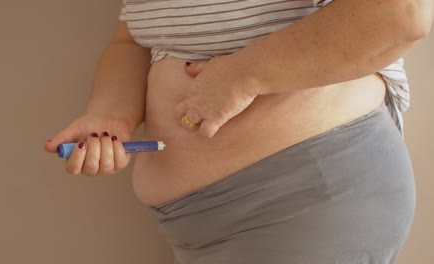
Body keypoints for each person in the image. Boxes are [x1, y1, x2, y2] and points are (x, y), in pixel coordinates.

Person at [44, 0, 433, 263]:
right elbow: (130, 40)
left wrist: (243, 75)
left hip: (302, 194)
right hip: (191, 223)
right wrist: (111, 115)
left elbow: (402, 13)